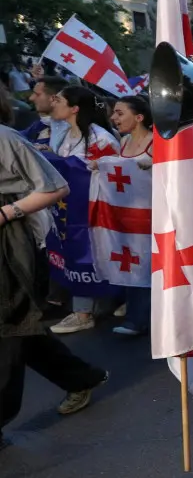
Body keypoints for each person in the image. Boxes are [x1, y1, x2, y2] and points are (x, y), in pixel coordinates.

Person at [1, 120, 109, 450]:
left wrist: (6, 212)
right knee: (23, 330)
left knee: (9, 328)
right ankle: (80, 377)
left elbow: (56, 187)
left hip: (10, 245)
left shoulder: (5, 139)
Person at [46, 85, 121, 335]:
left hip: (94, 210)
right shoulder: (66, 134)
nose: (52, 103)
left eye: (58, 100)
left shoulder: (101, 138)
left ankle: (83, 313)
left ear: (74, 108)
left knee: (86, 257)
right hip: (69, 209)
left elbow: (111, 173)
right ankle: (104, 302)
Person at [109, 96, 155, 337]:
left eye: (119, 113)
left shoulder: (156, 143)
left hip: (152, 216)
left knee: (146, 264)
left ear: (139, 117)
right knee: (133, 262)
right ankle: (136, 316)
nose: (113, 118)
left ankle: (139, 320)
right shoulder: (124, 142)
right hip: (127, 216)